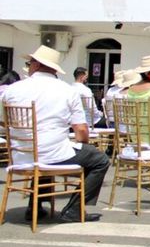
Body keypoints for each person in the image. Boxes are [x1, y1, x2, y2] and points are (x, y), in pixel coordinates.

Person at [0, 45, 110, 223]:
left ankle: (33, 207)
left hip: (20, 155)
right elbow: (81, 130)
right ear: (53, 68)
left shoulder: (12, 90)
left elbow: (4, 122)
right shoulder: (67, 91)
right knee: (100, 160)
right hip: (51, 154)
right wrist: (85, 144)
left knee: (46, 149)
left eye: (29, 63)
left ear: (35, 65)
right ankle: (73, 209)